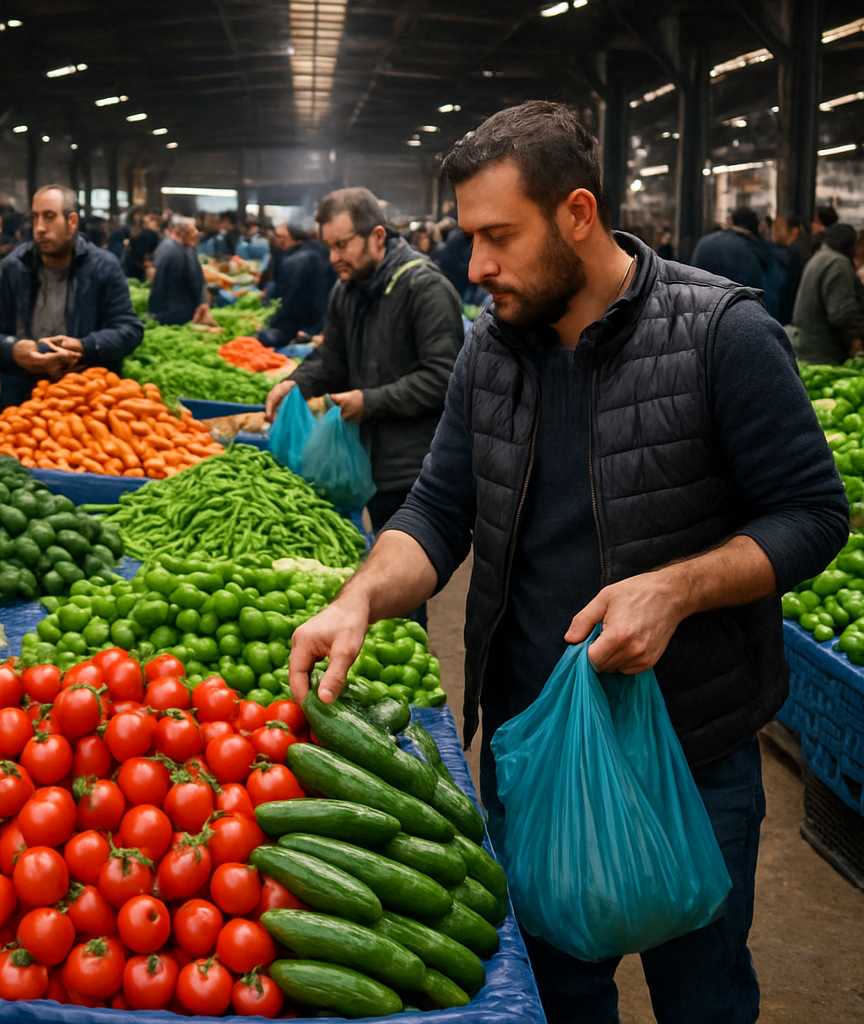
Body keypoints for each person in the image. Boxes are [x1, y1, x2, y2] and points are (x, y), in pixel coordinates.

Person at [288, 100, 848, 1024]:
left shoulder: (721, 334)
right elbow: (435, 511)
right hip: (531, 746)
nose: (475, 267)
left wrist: (676, 588)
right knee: (557, 993)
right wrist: (358, 600)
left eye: (498, 236)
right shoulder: (488, 353)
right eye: (469, 238)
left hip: (687, 753)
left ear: (578, 215)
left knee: (701, 992)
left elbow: (813, 513)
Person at [266, 187, 461, 536]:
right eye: (329, 247)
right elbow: (332, 360)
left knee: (404, 576)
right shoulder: (346, 291)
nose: (333, 258)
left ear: (377, 236)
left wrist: (368, 402)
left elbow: (444, 377)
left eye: (342, 245)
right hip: (368, 458)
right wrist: (296, 382)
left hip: (414, 467)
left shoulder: (425, 289)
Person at [0, 185, 144, 411]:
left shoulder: (104, 268)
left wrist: (84, 347)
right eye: (35, 217)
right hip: (22, 405)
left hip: (87, 402)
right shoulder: (10, 269)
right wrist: (13, 350)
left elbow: (129, 330)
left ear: (72, 222)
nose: (39, 228)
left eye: (49, 217)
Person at [256, 219, 336, 348]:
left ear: (291, 238)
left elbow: (289, 303)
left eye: (280, 236)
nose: (276, 240)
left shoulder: (295, 261)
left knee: (262, 337)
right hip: (320, 324)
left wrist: (270, 321)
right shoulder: (318, 251)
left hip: (302, 328)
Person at [792, 223, 864, 363]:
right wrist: (856, 339)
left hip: (807, 347)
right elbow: (841, 313)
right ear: (849, 245)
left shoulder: (820, 257)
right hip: (824, 352)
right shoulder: (838, 263)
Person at [149, 216, 214, 326]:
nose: (197, 233)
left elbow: (152, 274)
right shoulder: (185, 250)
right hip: (180, 311)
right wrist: (202, 302)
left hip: (162, 309)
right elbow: (195, 280)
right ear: (184, 232)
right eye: (194, 229)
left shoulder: (164, 246)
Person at [690, 206, 772, 292]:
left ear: (732, 221)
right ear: (756, 226)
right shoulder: (757, 250)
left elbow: (692, 281)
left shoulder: (705, 243)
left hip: (705, 301)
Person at [771, 212, 810, 324]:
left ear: (794, 231)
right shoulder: (798, 250)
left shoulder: (795, 254)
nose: (774, 231)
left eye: (779, 228)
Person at [124, 209, 162, 280]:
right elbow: (142, 254)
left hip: (134, 266)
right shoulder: (146, 234)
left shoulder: (147, 233)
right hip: (137, 268)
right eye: (152, 220)